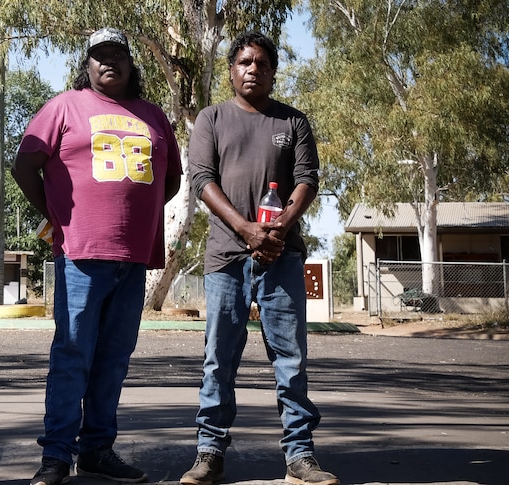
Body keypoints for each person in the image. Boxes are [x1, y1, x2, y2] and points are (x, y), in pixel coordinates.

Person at [12, 27, 182, 485]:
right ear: (86, 66)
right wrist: (57, 211)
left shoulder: (153, 115)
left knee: (114, 356)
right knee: (73, 353)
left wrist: (134, 214)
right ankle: (56, 457)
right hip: (80, 252)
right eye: (99, 56)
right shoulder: (64, 106)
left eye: (118, 55)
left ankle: (97, 450)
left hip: (135, 255)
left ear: (131, 63)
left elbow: (171, 180)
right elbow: (24, 164)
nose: (110, 63)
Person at [180, 31, 339, 485]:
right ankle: (209, 453)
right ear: (232, 70)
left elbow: (307, 179)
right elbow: (202, 179)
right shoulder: (211, 119)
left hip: (282, 257)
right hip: (226, 257)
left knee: (290, 359)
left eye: (262, 63)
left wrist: (278, 229)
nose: (253, 69)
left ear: (273, 72)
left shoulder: (294, 122)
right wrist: (247, 229)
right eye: (245, 62)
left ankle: (300, 457)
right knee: (219, 359)